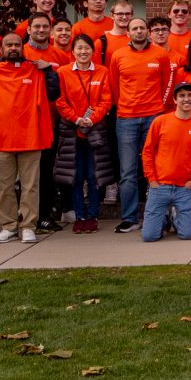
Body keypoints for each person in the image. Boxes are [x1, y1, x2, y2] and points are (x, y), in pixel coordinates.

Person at [0, 31, 60, 244]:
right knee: (4, 186)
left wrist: (49, 73)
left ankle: (28, 226)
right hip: (1, 138)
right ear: (2, 48)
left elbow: (53, 94)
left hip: (30, 136)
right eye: (8, 45)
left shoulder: (36, 70)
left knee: (30, 185)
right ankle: (8, 226)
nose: (13, 48)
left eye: (17, 44)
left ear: (23, 46)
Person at [106, 17, 173, 233]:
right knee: (127, 172)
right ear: (128, 33)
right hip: (126, 119)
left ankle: (158, 216)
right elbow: (114, 86)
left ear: (148, 32)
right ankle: (130, 218)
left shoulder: (160, 55)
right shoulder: (118, 56)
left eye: (142, 28)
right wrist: (124, 106)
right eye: (134, 28)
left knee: (157, 168)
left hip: (153, 118)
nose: (138, 31)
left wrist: (159, 109)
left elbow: (166, 85)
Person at [140, 82, 191, 242]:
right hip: (160, 186)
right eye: (181, 96)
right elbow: (147, 152)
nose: (186, 99)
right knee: (149, 236)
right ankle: (164, 217)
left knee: (188, 235)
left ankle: (176, 216)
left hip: (185, 188)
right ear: (175, 100)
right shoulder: (160, 122)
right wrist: (152, 179)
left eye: (189, 95)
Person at [55, 35, 115, 234]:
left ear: (93, 51)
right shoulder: (63, 72)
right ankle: (80, 215)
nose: (83, 52)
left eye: (87, 48)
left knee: (94, 175)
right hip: (72, 131)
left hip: (95, 130)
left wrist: (92, 118)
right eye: (79, 48)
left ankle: (93, 215)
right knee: (77, 176)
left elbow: (106, 100)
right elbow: (60, 100)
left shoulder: (102, 71)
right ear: (73, 51)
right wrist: (76, 119)